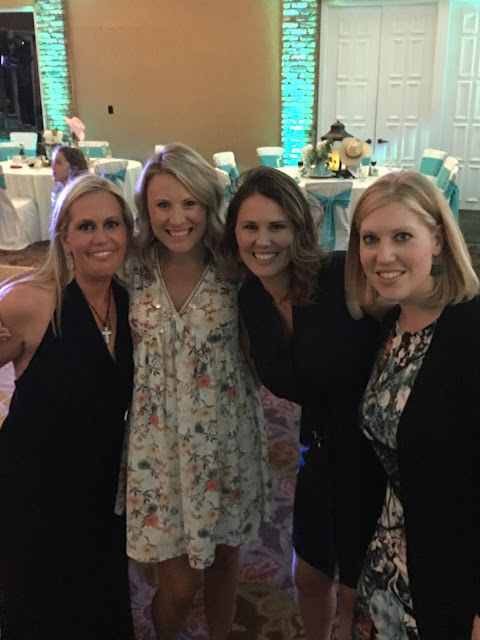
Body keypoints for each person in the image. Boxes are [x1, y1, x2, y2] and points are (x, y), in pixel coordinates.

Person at [222, 166, 384, 640]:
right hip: (317, 444)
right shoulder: (250, 299)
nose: (263, 241)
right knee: (309, 573)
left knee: (355, 588)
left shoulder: (341, 275)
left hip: (372, 451)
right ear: (234, 233)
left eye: (277, 226)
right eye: (250, 226)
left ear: (299, 229)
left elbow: (414, 311)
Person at [119, 143, 271, 640]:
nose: (177, 218)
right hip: (157, 448)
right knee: (180, 586)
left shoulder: (235, 266)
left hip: (226, 437)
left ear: (208, 204)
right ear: (146, 209)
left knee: (226, 558)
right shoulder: (131, 267)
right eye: (163, 204)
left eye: (190, 203)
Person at [345, 171, 480, 640]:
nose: (383, 256)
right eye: (370, 239)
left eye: (402, 236)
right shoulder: (390, 327)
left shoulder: (470, 331)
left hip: (451, 569)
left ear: (438, 241)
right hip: (387, 560)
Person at [0, 174, 135, 640]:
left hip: (101, 485)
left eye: (112, 224)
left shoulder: (127, 301)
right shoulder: (31, 302)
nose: (102, 238)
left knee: (100, 601)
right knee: (40, 606)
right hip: (33, 488)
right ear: (64, 236)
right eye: (86, 226)